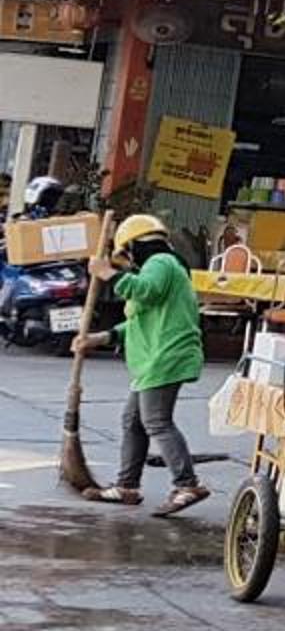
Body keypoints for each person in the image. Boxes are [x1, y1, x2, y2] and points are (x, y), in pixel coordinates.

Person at [79, 213, 207, 516]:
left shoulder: (160, 263)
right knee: (133, 420)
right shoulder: (161, 268)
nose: (129, 262)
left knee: (157, 421)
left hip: (166, 356)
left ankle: (187, 484)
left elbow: (145, 291)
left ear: (136, 245)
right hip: (154, 359)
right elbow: (138, 322)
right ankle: (127, 486)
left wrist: (107, 273)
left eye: (127, 254)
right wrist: (101, 337)